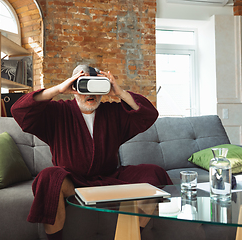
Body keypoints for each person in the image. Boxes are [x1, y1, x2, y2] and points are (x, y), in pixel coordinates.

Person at [11, 64, 173, 240]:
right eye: (84, 84)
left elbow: (149, 114)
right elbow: (19, 110)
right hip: (72, 179)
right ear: (73, 87)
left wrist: (119, 93)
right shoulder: (57, 112)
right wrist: (58, 89)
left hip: (109, 176)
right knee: (49, 177)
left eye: (96, 85)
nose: (90, 92)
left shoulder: (112, 113)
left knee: (154, 173)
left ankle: (128, 235)